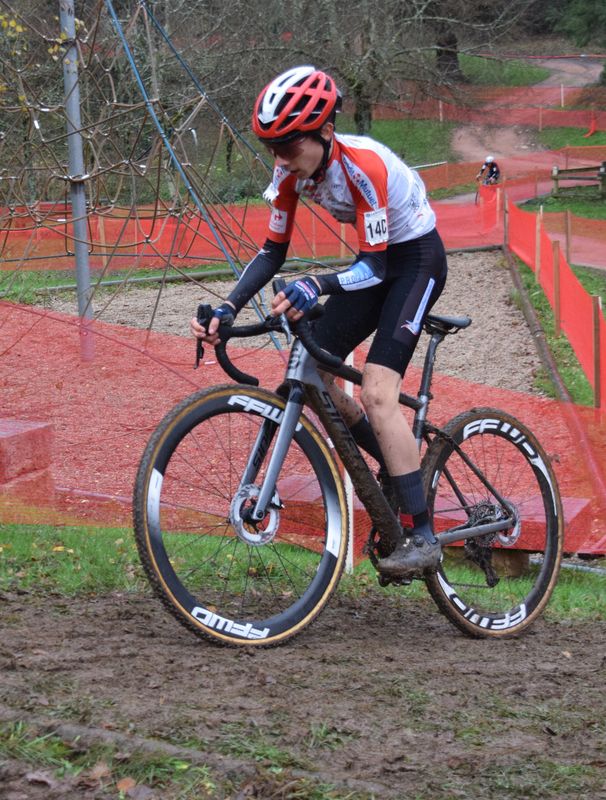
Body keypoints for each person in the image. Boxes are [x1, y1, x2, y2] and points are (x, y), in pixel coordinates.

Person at [191, 65, 448, 578]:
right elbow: (272, 251)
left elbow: (376, 267)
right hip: (376, 261)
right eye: (271, 147)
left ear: (326, 131)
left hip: (416, 261)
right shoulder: (289, 173)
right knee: (316, 375)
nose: (279, 159)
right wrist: (227, 307)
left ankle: (422, 534)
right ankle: (397, 468)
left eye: (288, 146)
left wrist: (318, 284)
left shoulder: (363, 167)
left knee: (378, 392)